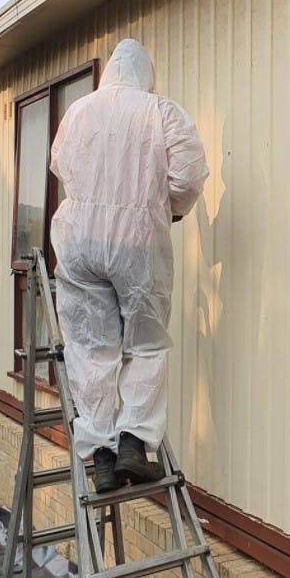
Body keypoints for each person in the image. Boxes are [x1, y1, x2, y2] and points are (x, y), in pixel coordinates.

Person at [49, 39, 209, 493]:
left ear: (111, 73)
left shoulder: (78, 111)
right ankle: (134, 445)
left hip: (79, 242)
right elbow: (189, 175)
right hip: (137, 243)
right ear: (145, 75)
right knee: (145, 341)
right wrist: (169, 210)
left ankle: (100, 454)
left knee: (90, 346)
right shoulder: (162, 111)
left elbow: (59, 164)